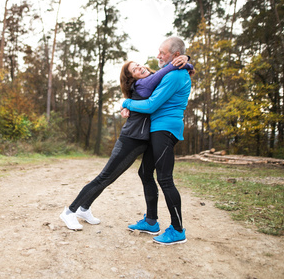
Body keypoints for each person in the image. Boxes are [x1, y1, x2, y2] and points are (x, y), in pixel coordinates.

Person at [59, 54, 193, 231]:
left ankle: (84, 209)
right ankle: (69, 211)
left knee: (110, 178)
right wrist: (182, 61)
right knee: (105, 177)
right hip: (131, 139)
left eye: (139, 64)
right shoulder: (143, 84)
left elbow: (163, 75)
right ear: (131, 78)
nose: (140, 68)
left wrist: (186, 61)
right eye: (134, 69)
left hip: (143, 139)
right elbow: (163, 73)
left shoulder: (149, 81)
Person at [122, 36, 192, 245]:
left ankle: (178, 229)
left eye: (162, 53)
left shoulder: (176, 76)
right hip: (157, 128)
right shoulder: (173, 71)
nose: (158, 56)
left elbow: (151, 105)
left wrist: (126, 102)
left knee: (165, 179)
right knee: (145, 172)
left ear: (175, 55)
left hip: (165, 128)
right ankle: (151, 221)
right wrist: (188, 61)